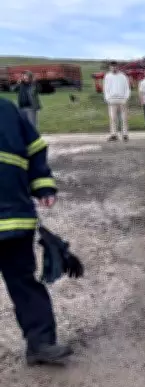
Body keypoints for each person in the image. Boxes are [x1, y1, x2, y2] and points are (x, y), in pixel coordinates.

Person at [0, 97, 72, 365]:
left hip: (14, 217)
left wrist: (43, 185)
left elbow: (35, 148)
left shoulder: (7, 110)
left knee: (25, 283)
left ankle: (41, 343)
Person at [103, 61, 131, 142]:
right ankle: (114, 134)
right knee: (113, 118)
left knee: (124, 118)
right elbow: (105, 88)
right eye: (112, 67)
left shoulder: (123, 76)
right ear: (110, 67)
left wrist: (126, 98)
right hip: (112, 100)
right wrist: (107, 98)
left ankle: (125, 134)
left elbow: (127, 88)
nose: (114, 68)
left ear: (117, 67)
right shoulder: (107, 76)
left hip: (122, 99)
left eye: (115, 66)